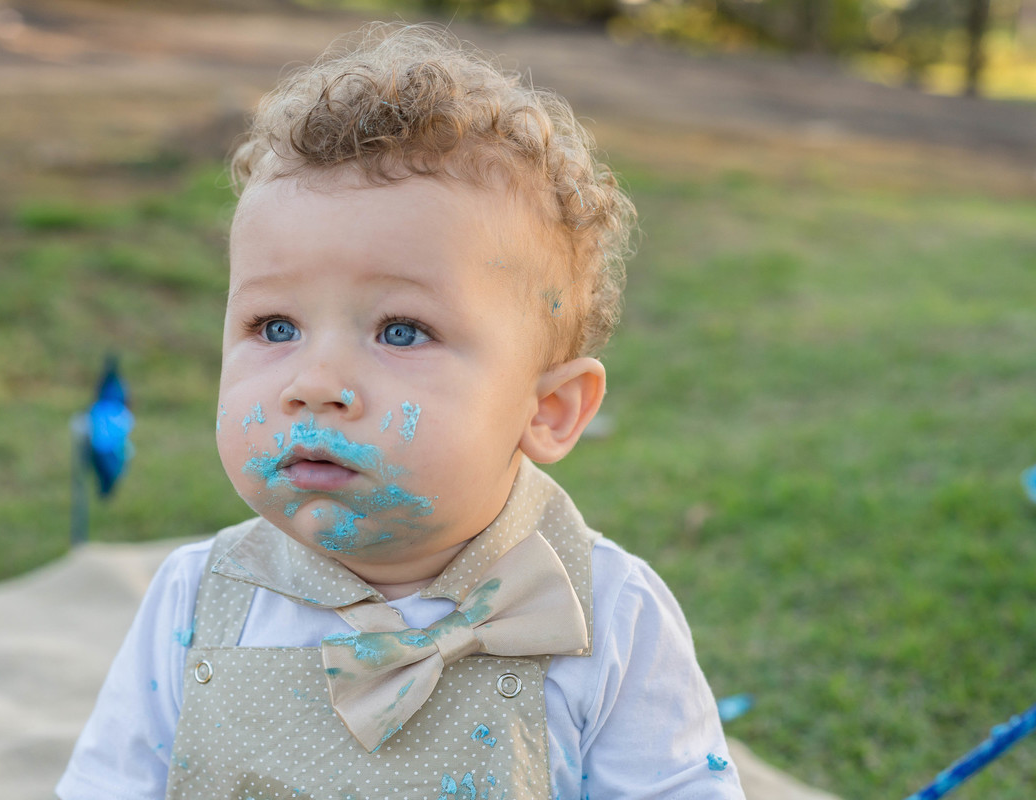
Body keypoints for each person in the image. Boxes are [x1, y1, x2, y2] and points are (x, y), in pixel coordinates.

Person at [57, 22, 744, 800]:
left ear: (548, 409)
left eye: (401, 331)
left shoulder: (607, 617)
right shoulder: (197, 601)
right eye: (274, 327)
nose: (314, 383)